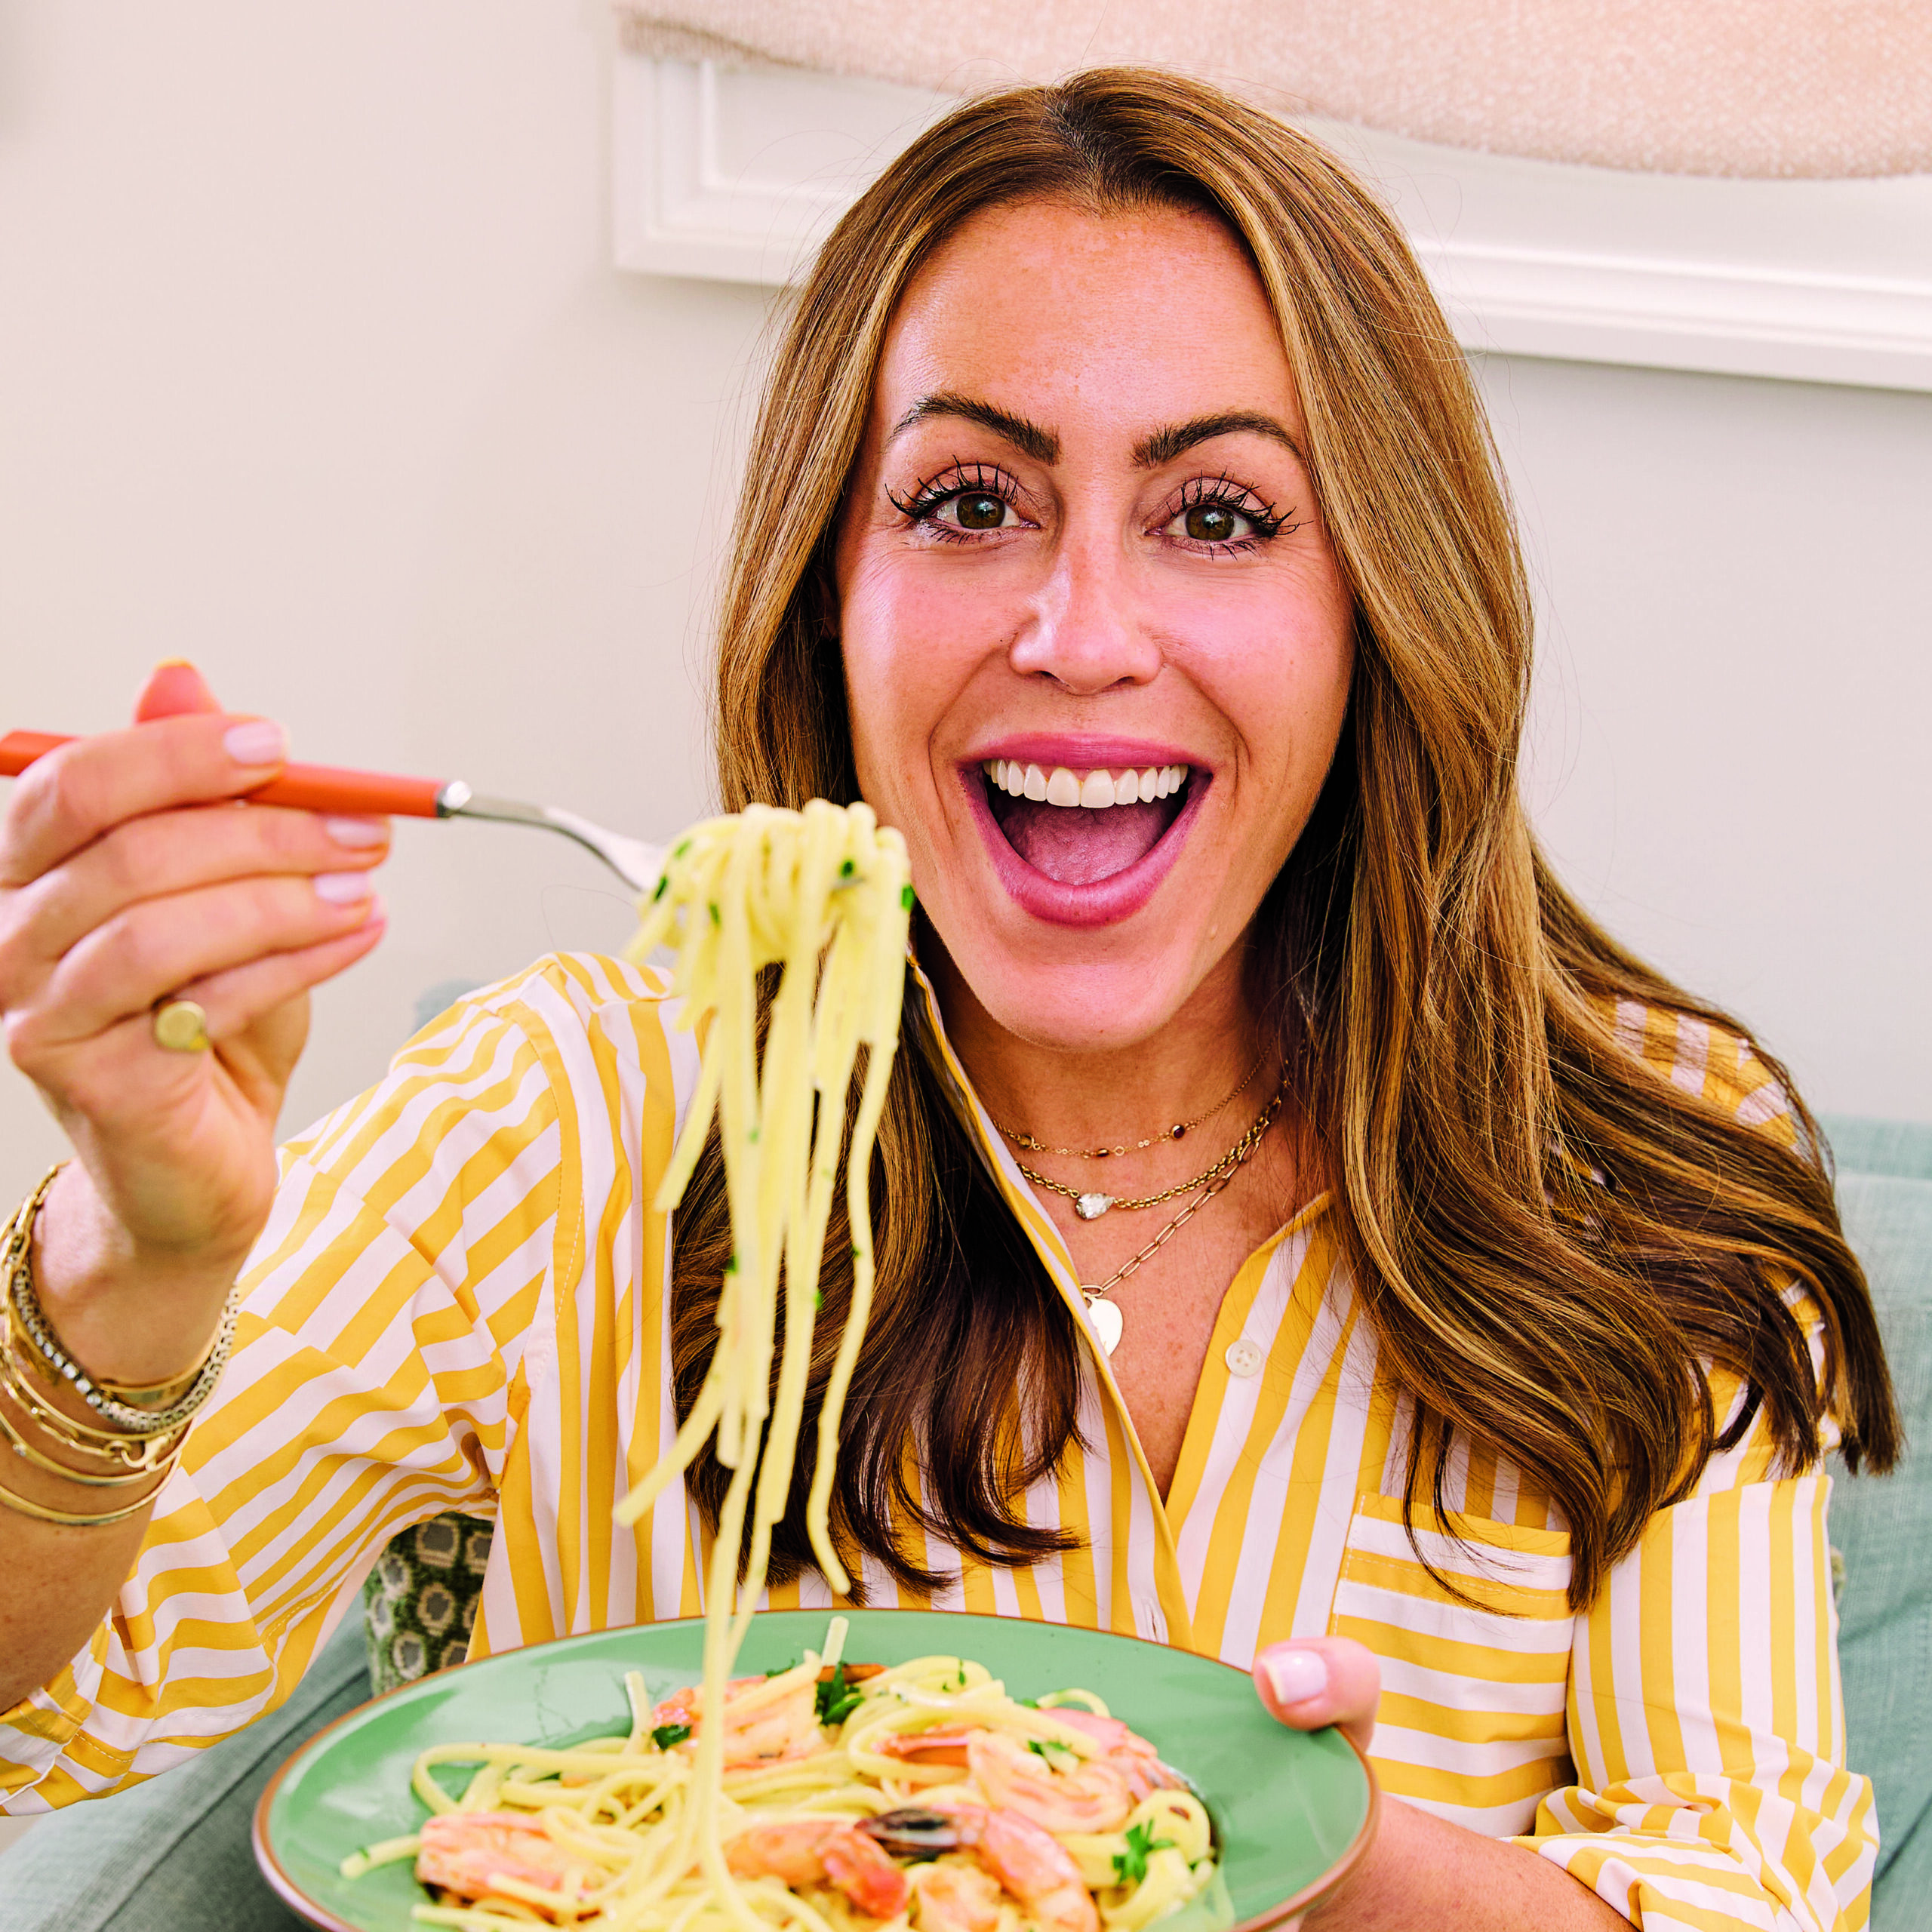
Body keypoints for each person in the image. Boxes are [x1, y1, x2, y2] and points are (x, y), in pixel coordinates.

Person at [0, 67, 1896, 1932]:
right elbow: (47, 1718)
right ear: (832, 587)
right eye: (967, 499)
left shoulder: (1638, 1171)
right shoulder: (563, 1117)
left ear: (1378, 602)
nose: (1076, 633)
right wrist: (139, 1250)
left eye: (1216, 515)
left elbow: (1744, 1883)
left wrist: (1320, 1870)